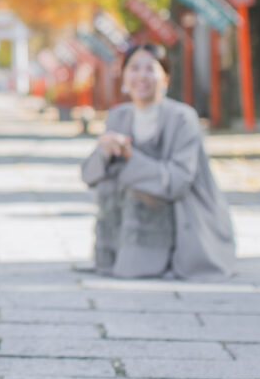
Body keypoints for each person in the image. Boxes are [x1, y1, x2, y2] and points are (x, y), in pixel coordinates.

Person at [81, 43, 236, 279]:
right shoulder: (118, 116)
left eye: (150, 69)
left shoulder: (183, 118)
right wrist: (105, 152)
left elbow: (178, 182)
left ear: (166, 79)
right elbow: (89, 176)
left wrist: (131, 157)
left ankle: (155, 260)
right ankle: (118, 256)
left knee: (136, 183)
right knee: (111, 181)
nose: (141, 76)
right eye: (134, 68)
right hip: (137, 211)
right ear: (124, 76)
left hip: (184, 212)